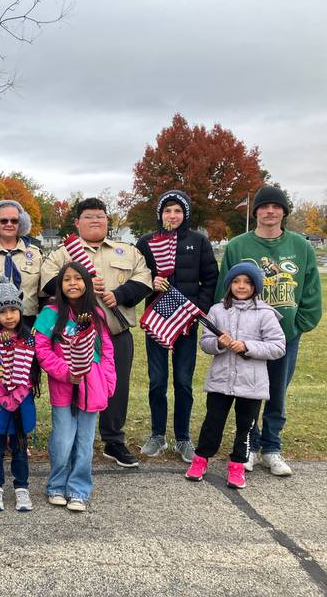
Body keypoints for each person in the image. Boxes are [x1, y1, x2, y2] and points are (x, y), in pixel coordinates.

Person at [216, 186, 322, 476]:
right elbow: (223, 290)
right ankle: (249, 446)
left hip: (284, 337)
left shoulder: (301, 247)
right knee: (249, 393)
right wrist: (229, 328)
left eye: (276, 206)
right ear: (256, 212)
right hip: (245, 338)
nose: (270, 211)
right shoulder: (238, 246)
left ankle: (272, 448)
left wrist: (296, 326)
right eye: (264, 207)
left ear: (284, 212)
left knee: (277, 392)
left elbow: (311, 290)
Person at [40, 198, 152, 468]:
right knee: (74, 385)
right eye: (88, 216)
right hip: (72, 338)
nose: (95, 221)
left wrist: (120, 295)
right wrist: (84, 283)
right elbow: (48, 282)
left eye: (100, 216)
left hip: (114, 331)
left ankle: (113, 440)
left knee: (116, 387)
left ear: (107, 221)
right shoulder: (62, 254)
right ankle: (74, 442)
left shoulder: (127, 251)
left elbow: (144, 279)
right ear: (77, 222)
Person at [186, 263, 286, 489]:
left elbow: (278, 347)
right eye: (236, 281)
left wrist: (247, 346)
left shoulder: (265, 313)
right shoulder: (217, 311)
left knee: (246, 427)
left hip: (251, 383)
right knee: (212, 423)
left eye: (248, 282)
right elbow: (205, 343)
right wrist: (219, 344)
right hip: (220, 380)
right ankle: (200, 460)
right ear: (229, 284)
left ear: (255, 286)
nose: (241, 286)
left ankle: (237, 465)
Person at [135, 190, 218, 463]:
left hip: (186, 321)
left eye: (178, 211)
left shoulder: (199, 241)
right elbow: (136, 277)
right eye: (167, 210)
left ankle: (183, 437)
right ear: (160, 214)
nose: (172, 215)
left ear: (186, 214)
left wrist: (197, 310)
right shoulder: (147, 242)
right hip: (158, 318)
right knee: (157, 381)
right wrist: (151, 283)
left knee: (183, 381)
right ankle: (157, 434)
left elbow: (211, 278)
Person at [34, 262, 116, 512]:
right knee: (63, 440)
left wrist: (108, 380)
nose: (72, 283)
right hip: (63, 387)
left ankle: (78, 489)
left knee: (84, 442)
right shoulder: (50, 313)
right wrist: (65, 373)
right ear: (60, 285)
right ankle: (56, 485)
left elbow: (107, 350)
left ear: (87, 283)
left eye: (78, 278)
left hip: (93, 387)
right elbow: (42, 350)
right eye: (67, 279)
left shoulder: (96, 314)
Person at [0, 277, 39, 513]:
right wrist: (3, 394)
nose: (9, 316)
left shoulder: (29, 337)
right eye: (3, 311)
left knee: (19, 447)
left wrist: (17, 393)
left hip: (22, 401)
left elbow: (32, 370)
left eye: (13, 310)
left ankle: (21, 486)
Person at [0, 199, 43, 328]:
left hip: (27, 323)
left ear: (21, 223)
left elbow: (43, 294)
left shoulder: (35, 254)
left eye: (14, 220)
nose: (9, 224)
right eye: (4, 221)